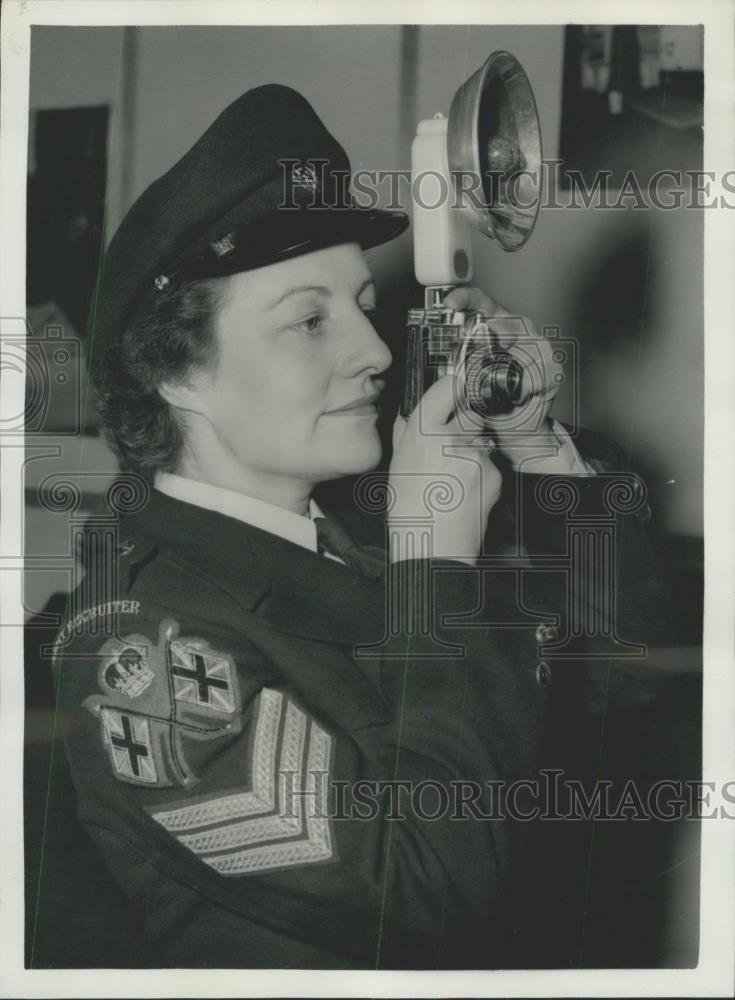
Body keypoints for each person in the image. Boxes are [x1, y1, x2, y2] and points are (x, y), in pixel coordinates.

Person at [51, 84, 672, 969]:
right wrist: (434, 574)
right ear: (174, 372)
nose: (375, 353)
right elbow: (428, 890)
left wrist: (539, 454)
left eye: (361, 307)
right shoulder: (137, 653)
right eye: (309, 320)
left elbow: (633, 689)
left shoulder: (364, 527)